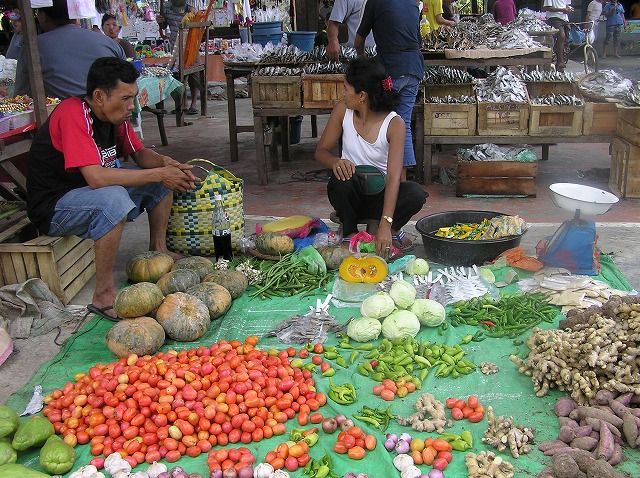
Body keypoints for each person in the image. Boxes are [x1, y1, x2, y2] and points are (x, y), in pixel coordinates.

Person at [27, 57, 197, 320]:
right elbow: (95, 177)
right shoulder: (73, 113)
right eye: (126, 98)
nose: (132, 106)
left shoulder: (116, 116)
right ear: (98, 96)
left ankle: (158, 251)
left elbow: (140, 155)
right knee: (115, 199)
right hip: (55, 206)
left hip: (90, 193)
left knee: (158, 182)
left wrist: (167, 164)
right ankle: (103, 294)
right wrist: (160, 172)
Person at [315, 58, 427, 256]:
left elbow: (394, 177)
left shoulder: (394, 124)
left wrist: (386, 222)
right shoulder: (343, 110)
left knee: (415, 193)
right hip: (352, 196)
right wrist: (335, 162)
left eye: (346, 88)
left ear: (362, 96)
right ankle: (349, 231)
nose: (343, 93)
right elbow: (321, 151)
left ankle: (387, 229)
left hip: (382, 198)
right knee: (341, 180)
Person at [356, 0, 424, 180]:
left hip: (391, 70)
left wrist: (362, 64)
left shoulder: (374, 2)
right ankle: (401, 180)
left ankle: (378, 175)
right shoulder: (412, 3)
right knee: (403, 123)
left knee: (380, 122)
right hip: (414, 69)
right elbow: (418, 39)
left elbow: (359, 40)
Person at [14, 0, 125, 98]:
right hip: (110, 115)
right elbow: (127, 80)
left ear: (43, 16)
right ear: (76, 16)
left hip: (65, 119)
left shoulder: (33, 47)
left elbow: (22, 95)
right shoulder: (109, 43)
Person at [166, 0, 201, 115]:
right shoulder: (167, 10)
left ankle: (194, 104)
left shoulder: (191, 10)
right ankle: (182, 104)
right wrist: (160, 21)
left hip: (191, 47)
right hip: (175, 48)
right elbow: (163, 25)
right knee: (177, 76)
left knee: (193, 77)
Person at [543, 0, 574, 72]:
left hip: (564, 19)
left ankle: (560, 59)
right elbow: (547, 7)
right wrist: (562, 10)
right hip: (554, 18)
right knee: (561, 36)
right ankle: (560, 61)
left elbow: (566, 6)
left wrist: (569, 9)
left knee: (566, 40)